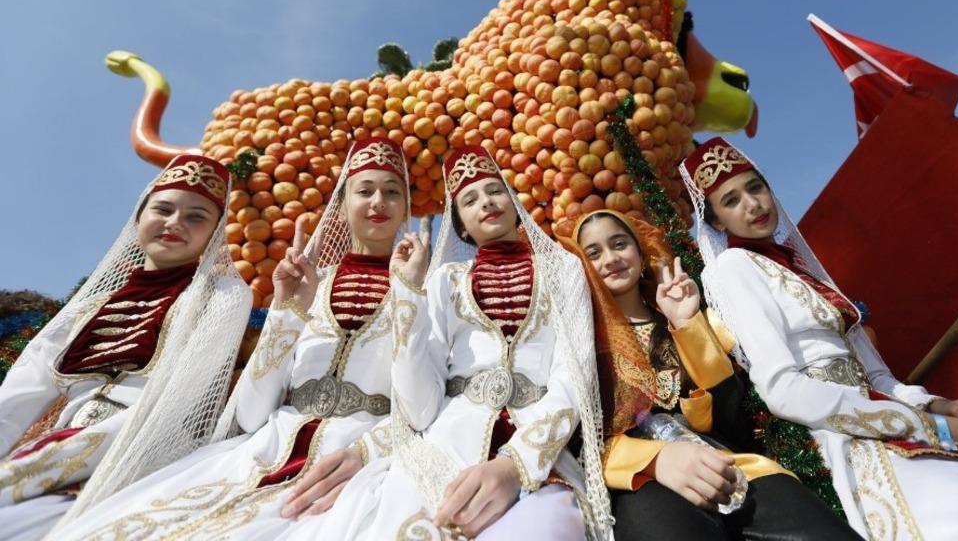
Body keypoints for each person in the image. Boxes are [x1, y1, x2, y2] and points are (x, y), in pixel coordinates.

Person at [681, 136, 958, 540]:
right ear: (715, 222)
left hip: (892, 418)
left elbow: (882, 381)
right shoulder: (734, 267)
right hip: (839, 438)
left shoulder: (802, 268)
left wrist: (944, 407)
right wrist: (922, 426)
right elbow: (781, 390)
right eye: (731, 201)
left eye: (756, 187)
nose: (753, 204)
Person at [54, 137, 413, 540]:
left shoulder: (425, 289)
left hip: (364, 462)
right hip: (260, 452)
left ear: (406, 208)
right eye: (364, 191)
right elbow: (252, 415)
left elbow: (429, 404)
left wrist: (371, 449)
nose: (378, 201)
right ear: (342, 206)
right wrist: (286, 312)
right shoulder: (311, 284)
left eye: (392, 192)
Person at [330, 145, 609, 540]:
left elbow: (574, 374)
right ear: (460, 224)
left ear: (514, 202)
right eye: (469, 199)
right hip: (444, 445)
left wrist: (518, 464)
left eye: (495, 191)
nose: (486, 202)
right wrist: (407, 293)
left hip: (539, 452)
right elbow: (419, 408)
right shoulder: (446, 280)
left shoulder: (562, 268)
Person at [566, 209, 861, 540]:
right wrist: (656, 459)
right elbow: (577, 443)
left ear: (639, 249)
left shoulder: (677, 316)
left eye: (619, 244)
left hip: (726, 463)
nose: (611, 258)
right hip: (640, 479)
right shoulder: (580, 342)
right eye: (593, 253)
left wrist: (687, 324)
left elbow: (731, 417)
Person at [0, 154, 251, 541]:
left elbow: (181, 398)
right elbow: (17, 397)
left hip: (152, 450)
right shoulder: (86, 309)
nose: (175, 223)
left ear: (215, 233)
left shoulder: (225, 297)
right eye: (163, 209)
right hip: (58, 448)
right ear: (139, 217)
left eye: (196, 217)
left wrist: (48, 460)